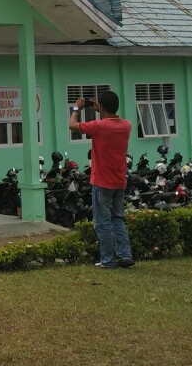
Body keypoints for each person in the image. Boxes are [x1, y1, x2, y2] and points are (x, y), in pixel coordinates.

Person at [68, 90, 134, 269]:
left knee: (102, 223)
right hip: (119, 181)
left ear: (102, 107)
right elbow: (110, 120)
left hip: (102, 182)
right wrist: (102, 111)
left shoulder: (99, 126)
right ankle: (125, 255)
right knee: (117, 219)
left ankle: (107, 260)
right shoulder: (126, 125)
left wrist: (77, 108)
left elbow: (72, 125)